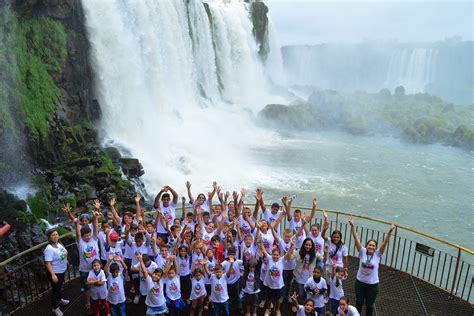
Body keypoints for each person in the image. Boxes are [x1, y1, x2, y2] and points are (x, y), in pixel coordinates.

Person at [349, 217, 395, 316]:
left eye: (373, 246)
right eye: (370, 245)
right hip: (360, 283)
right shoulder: (362, 251)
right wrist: (353, 226)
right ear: (366, 245)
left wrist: (390, 231)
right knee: (359, 303)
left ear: (375, 248)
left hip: (373, 285)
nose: (371, 247)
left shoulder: (378, 254)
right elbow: (355, 238)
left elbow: (385, 242)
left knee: (369, 306)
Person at [73, 201, 101, 313]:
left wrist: (95, 216)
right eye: (86, 235)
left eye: (89, 235)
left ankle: (98, 300)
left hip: (96, 267)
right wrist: (76, 224)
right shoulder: (81, 243)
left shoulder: (94, 239)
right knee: (87, 287)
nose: (88, 237)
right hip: (85, 269)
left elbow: (95, 226)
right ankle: (87, 303)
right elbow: (78, 234)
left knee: (98, 284)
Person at [44, 228, 70, 316]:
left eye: (56, 234)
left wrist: (66, 260)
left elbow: (63, 254)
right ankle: (55, 308)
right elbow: (48, 263)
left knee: (59, 287)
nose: (55, 236)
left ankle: (60, 299)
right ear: (49, 238)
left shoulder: (58, 244)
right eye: (53, 235)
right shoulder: (49, 249)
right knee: (55, 290)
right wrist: (53, 275)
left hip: (62, 270)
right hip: (56, 272)